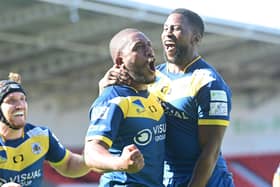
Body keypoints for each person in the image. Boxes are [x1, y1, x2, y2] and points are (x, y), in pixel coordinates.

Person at [100, 8, 234, 187]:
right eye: (165, 28)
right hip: (166, 180)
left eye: (176, 29)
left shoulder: (208, 83)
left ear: (195, 38)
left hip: (206, 181)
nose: (168, 34)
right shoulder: (153, 76)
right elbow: (119, 105)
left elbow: (211, 151)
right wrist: (104, 86)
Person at [84, 28, 166, 187]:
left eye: (149, 45)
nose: (149, 51)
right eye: (138, 47)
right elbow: (91, 153)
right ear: (120, 62)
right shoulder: (113, 99)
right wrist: (120, 163)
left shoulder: (154, 97)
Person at [0, 73, 90, 187]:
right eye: (11, 100)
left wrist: (88, 159)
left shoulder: (41, 136)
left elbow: (68, 164)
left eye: (23, 99)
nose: (20, 105)